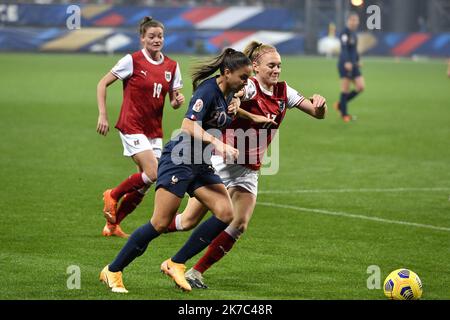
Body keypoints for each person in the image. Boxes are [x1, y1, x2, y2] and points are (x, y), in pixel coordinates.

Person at [99, 48, 275, 293]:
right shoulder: (208, 90)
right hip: (180, 160)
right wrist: (218, 143)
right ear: (226, 73)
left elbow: (224, 112)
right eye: (243, 78)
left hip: (201, 163)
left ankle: (176, 263)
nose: (246, 83)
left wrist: (251, 117)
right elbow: (188, 124)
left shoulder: (230, 92)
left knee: (226, 213)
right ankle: (113, 270)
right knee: (159, 223)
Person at [164, 41, 327, 289]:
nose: (276, 70)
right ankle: (152, 229)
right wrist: (237, 101)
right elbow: (239, 94)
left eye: (279, 66)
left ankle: (194, 272)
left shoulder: (285, 92)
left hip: (249, 169)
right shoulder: (249, 85)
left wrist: (321, 106)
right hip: (223, 161)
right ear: (256, 67)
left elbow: (317, 114)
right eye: (271, 65)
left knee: (239, 224)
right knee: (187, 221)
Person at [96, 17, 185, 238]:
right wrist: (103, 115)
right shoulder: (132, 60)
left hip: (153, 129)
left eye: (160, 36)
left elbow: (172, 101)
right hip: (132, 124)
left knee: (143, 185)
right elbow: (102, 83)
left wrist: (177, 101)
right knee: (154, 173)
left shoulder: (172, 66)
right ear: (142, 38)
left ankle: (113, 226)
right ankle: (113, 194)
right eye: (152, 36)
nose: (156, 40)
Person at [333, 12, 365, 122]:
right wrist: (347, 62)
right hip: (344, 64)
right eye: (352, 20)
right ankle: (344, 114)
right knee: (345, 89)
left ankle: (341, 104)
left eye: (356, 20)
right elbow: (344, 48)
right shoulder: (344, 33)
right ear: (348, 21)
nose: (354, 22)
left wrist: (358, 60)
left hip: (354, 65)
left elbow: (354, 50)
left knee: (360, 87)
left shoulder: (354, 34)